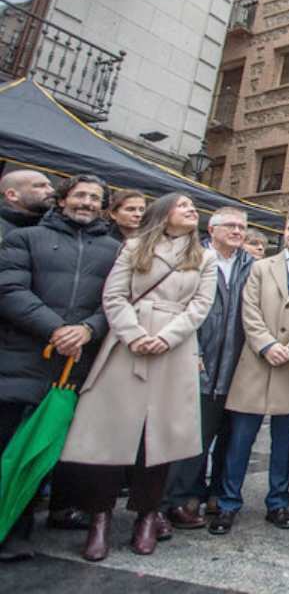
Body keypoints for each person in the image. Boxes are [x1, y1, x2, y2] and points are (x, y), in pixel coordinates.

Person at [59, 192, 217, 561]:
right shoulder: (132, 248)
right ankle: (100, 517)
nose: (192, 210)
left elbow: (200, 307)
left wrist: (165, 337)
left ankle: (147, 516)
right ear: (163, 214)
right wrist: (134, 334)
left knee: (158, 441)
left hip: (173, 350)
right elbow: (113, 297)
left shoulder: (204, 257)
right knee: (110, 437)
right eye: (183, 206)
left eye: (194, 208)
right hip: (126, 346)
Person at [0, 174, 120, 561]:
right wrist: (57, 330)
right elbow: (9, 290)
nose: (86, 202)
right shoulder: (25, 238)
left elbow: (117, 304)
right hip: (20, 360)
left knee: (42, 452)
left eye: (95, 198)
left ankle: (18, 531)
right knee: (6, 445)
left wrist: (87, 330)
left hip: (73, 370)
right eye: (80, 195)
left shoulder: (116, 251)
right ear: (63, 199)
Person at [212, 212, 289, 535]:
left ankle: (278, 502)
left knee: (283, 443)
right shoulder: (260, 268)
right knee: (240, 440)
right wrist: (266, 344)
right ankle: (228, 504)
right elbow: (247, 309)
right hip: (255, 362)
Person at [161, 207, 254, 527]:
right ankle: (179, 499)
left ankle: (217, 495)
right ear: (211, 230)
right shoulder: (192, 260)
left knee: (230, 435)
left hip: (238, 366)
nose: (238, 231)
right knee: (192, 437)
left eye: (242, 226)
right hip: (198, 360)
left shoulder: (252, 266)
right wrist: (192, 349)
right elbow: (177, 307)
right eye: (230, 225)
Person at [0, 168, 54, 239]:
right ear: (12, 195)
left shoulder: (57, 226)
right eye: (40, 186)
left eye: (50, 185)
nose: (51, 190)